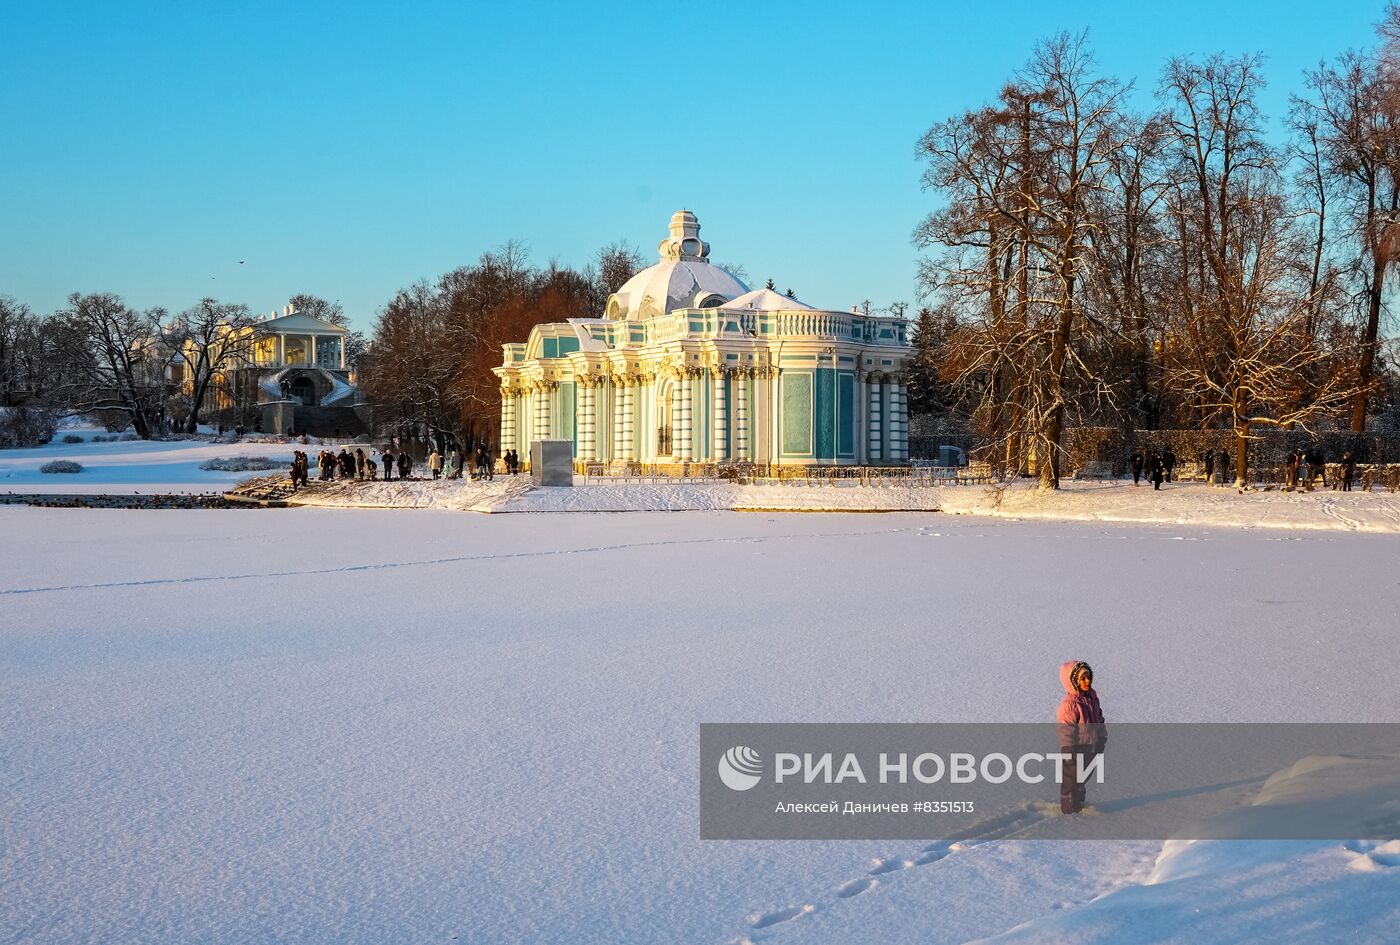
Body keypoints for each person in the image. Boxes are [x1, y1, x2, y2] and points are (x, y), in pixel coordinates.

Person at [1057, 660, 1106, 815]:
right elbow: (1066, 730)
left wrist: (1102, 737)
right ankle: (1069, 811)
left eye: (1088, 677)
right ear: (1073, 682)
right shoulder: (1070, 704)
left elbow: (1099, 718)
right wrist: (1068, 750)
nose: (1087, 681)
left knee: (1084, 776)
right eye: (1082, 678)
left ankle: (1080, 803)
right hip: (1075, 748)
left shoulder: (1092, 698)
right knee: (1071, 779)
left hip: (1092, 745)